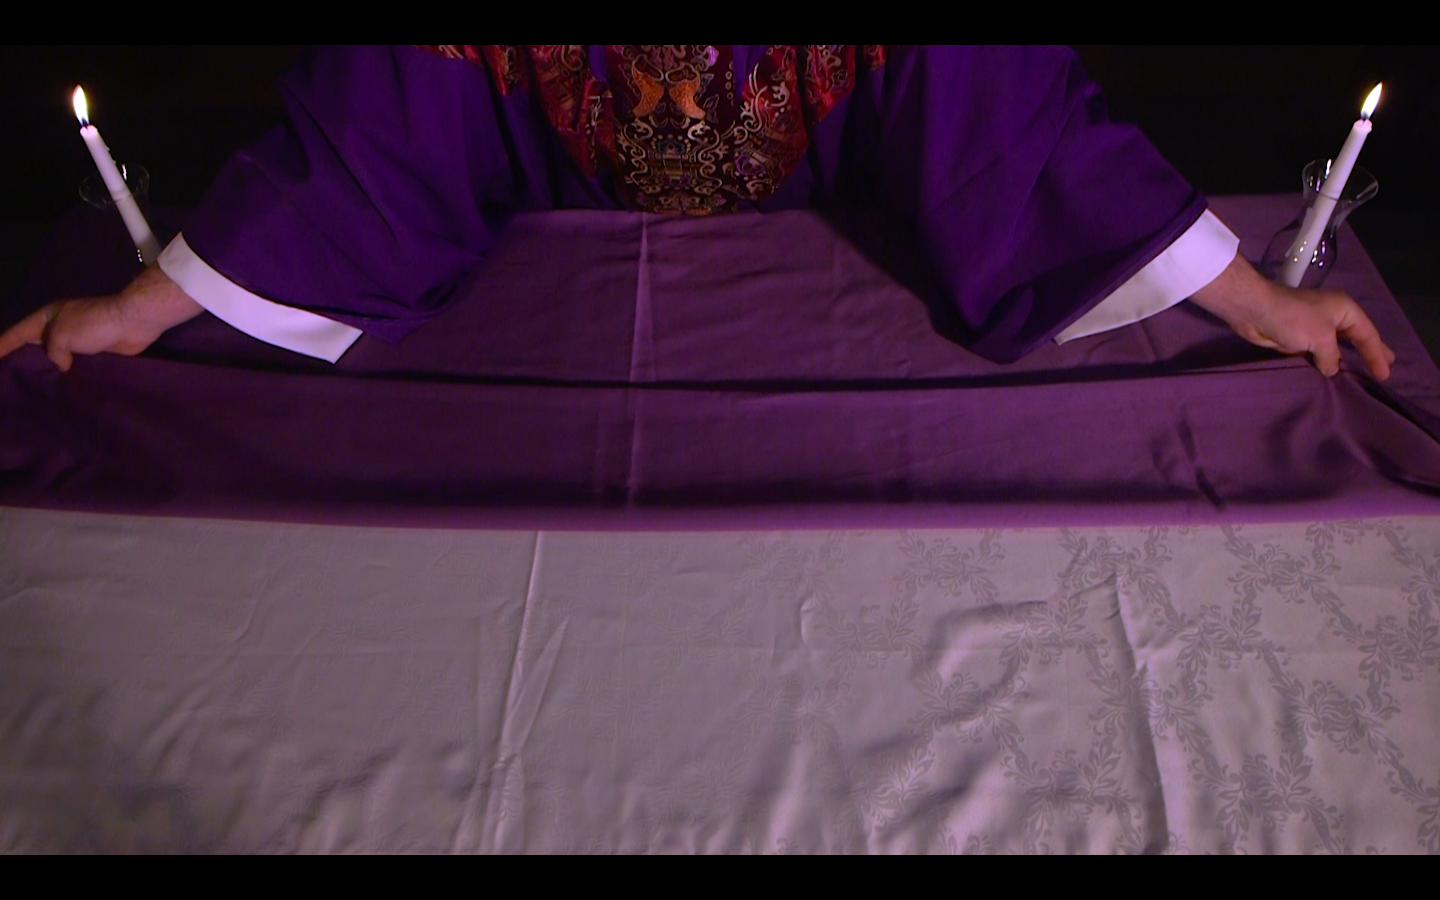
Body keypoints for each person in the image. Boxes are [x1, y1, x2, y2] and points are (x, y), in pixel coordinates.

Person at [0, 45, 1396, 381]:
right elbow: (377, 131)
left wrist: (1255, 301)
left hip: (822, 228)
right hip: (561, 233)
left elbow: (1014, 124)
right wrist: (146, 309)